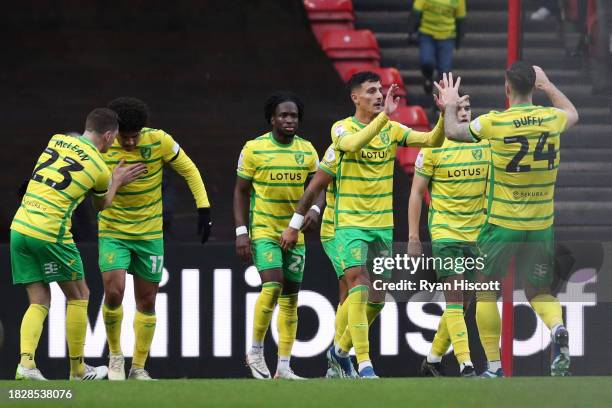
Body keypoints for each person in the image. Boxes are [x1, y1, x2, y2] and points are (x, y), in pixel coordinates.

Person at [281, 71, 446, 378]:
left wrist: (443, 113)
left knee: (377, 300)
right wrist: (384, 117)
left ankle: (338, 351)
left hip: (381, 226)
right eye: (371, 91)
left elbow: (432, 140)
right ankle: (365, 363)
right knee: (358, 283)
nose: (378, 94)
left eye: (380, 89)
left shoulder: (392, 129)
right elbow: (355, 144)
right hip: (347, 224)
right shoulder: (341, 129)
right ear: (355, 98)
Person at [436, 62, 579, 377]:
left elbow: (452, 132)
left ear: (506, 87)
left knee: (486, 289)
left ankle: (495, 368)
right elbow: (573, 113)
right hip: (540, 226)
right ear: (533, 85)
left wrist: (449, 104)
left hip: (501, 224)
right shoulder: (551, 118)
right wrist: (549, 84)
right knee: (540, 292)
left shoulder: (494, 123)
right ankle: (557, 328)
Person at [11, 108, 146, 380]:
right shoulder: (98, 167)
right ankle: (78, 370)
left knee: (38, 300)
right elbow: (101, 204)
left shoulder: (56, 140)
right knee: (80, 295)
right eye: (114, 138)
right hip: (51, 232)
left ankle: (26, 364)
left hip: (21, 226)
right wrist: (116, 181)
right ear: (108, 136)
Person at [100, 97, 212, 381]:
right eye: (124, 137)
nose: (129, 143)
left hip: (149, 234)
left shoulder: (159, 141)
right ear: (113, 132)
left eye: (134, 136)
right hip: (113, 230)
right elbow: (87, 185)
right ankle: (115, 357)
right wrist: (114, 181)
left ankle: (138, 367)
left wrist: (203, 207)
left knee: (147, 300)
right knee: (114, 291)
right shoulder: (102, 146)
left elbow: (189, 169)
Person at [234, 92, 319, 380]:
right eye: (283, 115)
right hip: (265, 230)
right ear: (272, 118)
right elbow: (241, 191)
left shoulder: (307, 150)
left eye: (293, 115)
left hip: (296, 234)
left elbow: (318, 187)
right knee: (273, 286)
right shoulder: (254, 149)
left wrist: (316, 209)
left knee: (291, 299)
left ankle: (283, 366)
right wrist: (241, 232)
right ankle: (256, 351)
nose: (289, 120)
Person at [409, 95, 490, 377]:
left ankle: (432, 359)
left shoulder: (484, 143)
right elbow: (417, 193)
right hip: (445, 233)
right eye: (459, 108)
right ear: (446, 113)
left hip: (477, 235)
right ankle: (465, 363)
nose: (465, 113)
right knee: (454, 300)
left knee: (466, 302)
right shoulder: (432, 146)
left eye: (468, 107)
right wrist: (413, 237)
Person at [408, 0, 466, 94]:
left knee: (444, 71)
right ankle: (428, 77)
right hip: (427, 34)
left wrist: (459, 39)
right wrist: (411, 31)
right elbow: (416, 10)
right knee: (426, 62)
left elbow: (460, 18)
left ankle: (444, 99)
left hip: (447, 36)